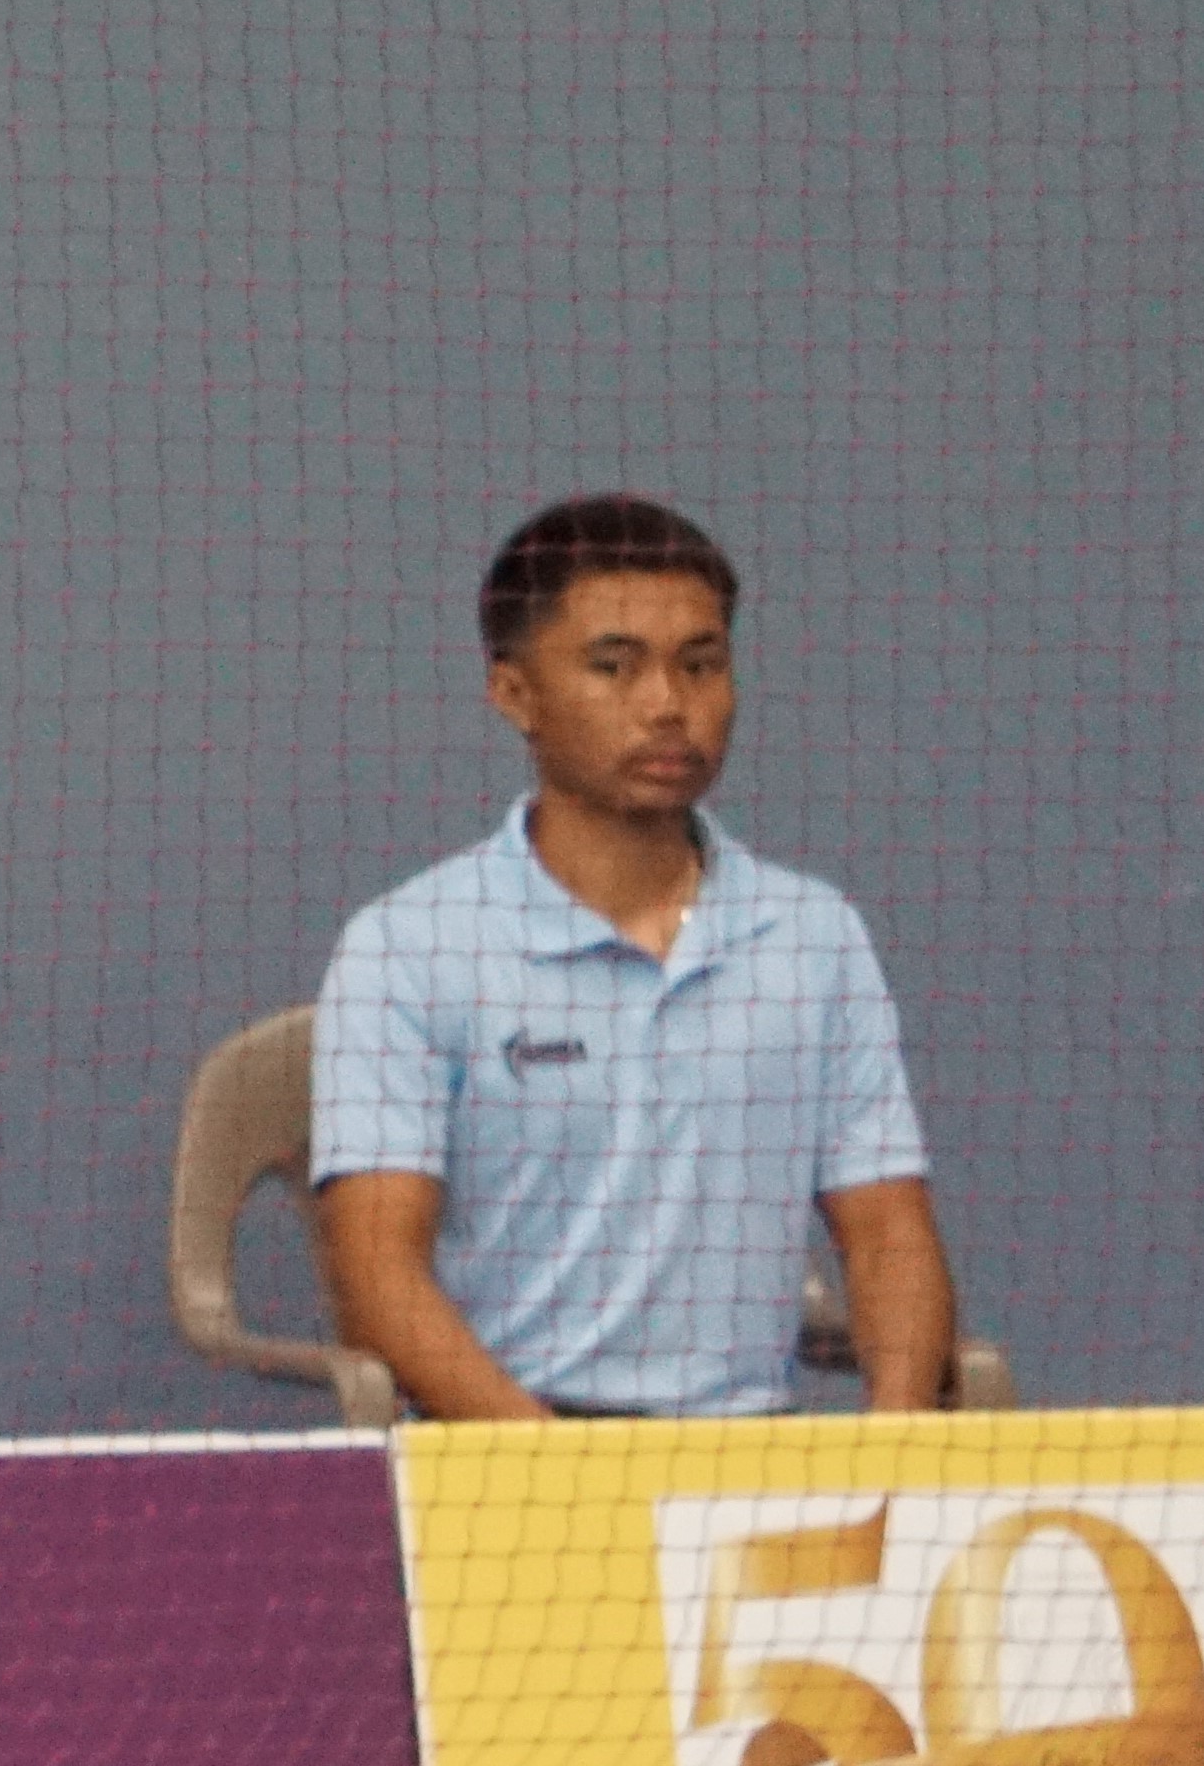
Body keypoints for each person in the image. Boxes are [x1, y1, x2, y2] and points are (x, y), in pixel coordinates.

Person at [312, 493, 960, 1421]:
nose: (667, 706)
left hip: (753, 1465)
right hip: (520, 1467)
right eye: (615, 668)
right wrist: (566, 1478)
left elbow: (889, 1233)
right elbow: (376, 1275)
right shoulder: (409, 947)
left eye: (701, 666)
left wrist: (898, 1449)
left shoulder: (814, 937)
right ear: (513, 692)